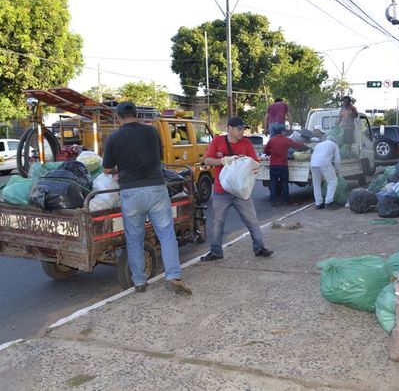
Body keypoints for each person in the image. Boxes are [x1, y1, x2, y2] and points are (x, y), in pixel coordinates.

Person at [102, 101, 191, 295]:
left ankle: (140, 282)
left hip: (131, 193)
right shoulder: (151, 132)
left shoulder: (114, 137)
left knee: (134, 239)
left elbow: (107, 169)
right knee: (166, 234)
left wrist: (121, 168)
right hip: (156, 189)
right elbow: (158, 158)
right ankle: (173, 276)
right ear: (137, 114)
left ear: (118, 117)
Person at [202, 116, 273, 262]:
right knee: (217, 222)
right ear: (229, 128)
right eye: (239, 129)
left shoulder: (246, 143)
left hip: (241, 192)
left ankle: (259, 248)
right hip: (221, 191)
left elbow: (255, 162)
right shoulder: (217, 141)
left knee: (251, 220)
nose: (242, 132)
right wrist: (222, 160)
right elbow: (207, 160)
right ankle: (215, 251)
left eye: (243, 129)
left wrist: (249, 165)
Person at [263, 125, 307, 205]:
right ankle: (286, 201)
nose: (286, 132)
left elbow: (265, 151)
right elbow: (296, 145)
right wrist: (304, 145)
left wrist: (271, 153)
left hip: (273, 165)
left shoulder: (271, 140)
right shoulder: (286, 140)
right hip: (283, 165)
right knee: (284, 183)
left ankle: (273, 201)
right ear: (282, 131)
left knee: (273, 183)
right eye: (285, 131)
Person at [310, 126, 341, 209]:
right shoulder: (334, 144)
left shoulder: (319, 144)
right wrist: (336, 170)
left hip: (313, 164)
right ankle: (328, 201)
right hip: (324, 163)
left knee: (316, 184)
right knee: (332, 181)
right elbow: (337, 159)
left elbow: (314, 154)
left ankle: (318, 203)